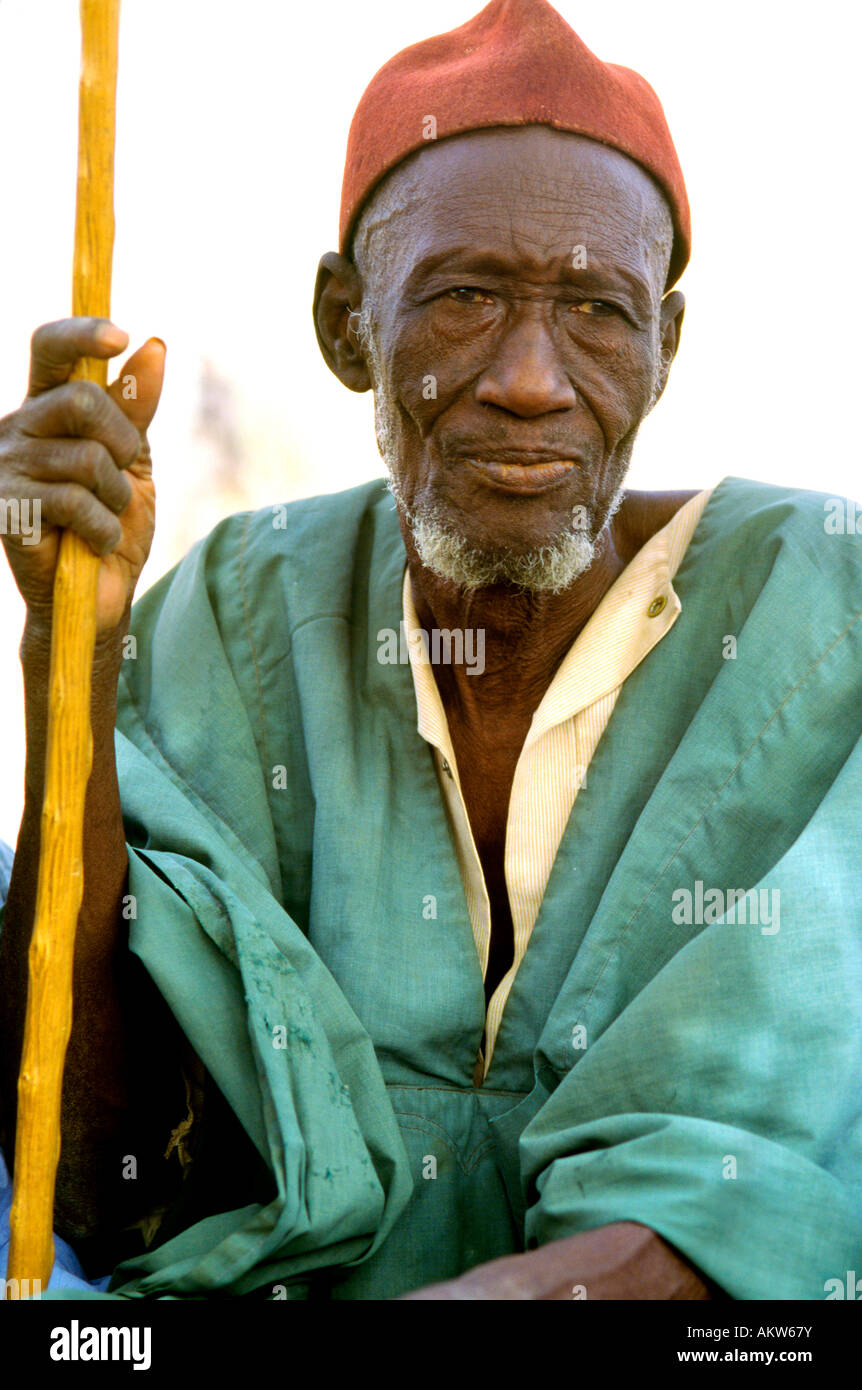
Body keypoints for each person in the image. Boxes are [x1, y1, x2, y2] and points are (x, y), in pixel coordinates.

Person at [1, 0, 860, 1300]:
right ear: (346, 323)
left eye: (595, 310)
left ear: (665, 347)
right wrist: (69, 652)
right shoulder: (239, 612)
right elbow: (106, 1175)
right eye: (464, 296)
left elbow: (749, 1196)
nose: (529, 375)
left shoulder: (822, 609)